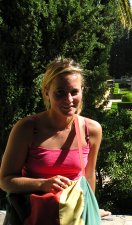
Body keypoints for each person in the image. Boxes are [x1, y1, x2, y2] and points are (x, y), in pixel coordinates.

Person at [0, 57, 111, 222]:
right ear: (46, 91)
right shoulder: (27, 129)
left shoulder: (91, 130)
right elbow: (5, 181)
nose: (69, 99)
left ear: (82, 90)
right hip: (34, 216)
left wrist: (90, 208)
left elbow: (88, 177)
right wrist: (42, 184)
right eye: (60, 92)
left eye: (74, 92)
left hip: (73, 218)